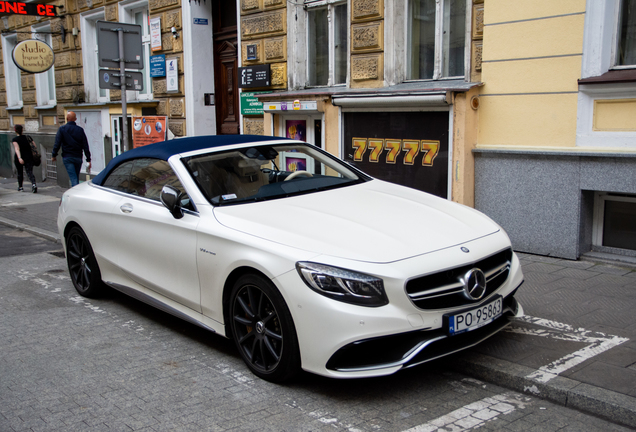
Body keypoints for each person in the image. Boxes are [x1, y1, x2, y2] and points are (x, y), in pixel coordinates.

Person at [52, 111, 92, 187]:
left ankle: (75, 194)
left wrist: (54, 155)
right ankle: (76, 192)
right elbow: (85, 145)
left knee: (73, 178)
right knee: (75, 176)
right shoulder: (80, 130)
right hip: (78, 157)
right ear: (75, 119)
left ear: (66, 118)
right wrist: (88, 159)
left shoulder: (62, 129)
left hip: (67, 157)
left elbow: (57, 143)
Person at [12, 124, 37, 193]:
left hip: (20, 158)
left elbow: (17, 149)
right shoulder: (28, 137)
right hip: (29, 157)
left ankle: (20, 187)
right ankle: (34, 184)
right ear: (22, 130)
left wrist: (19, 158)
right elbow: (35, 146)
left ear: (15, 130)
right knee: (29, 172)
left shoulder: (15, 139)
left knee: (20, 172)